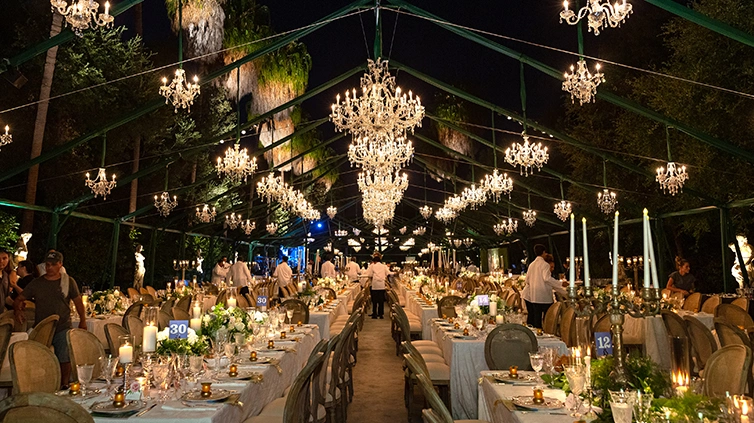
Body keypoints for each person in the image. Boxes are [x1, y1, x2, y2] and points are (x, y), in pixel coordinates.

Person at [14, 251, 86, 389]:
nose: (50, 268)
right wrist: (18, 310)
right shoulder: (37, 283)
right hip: (41, 326)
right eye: (47, 265)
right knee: (38, 357)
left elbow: (78, 302)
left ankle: (64, 384)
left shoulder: (68, 281)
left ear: (60, 265)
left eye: (53, 264)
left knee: (64, 356)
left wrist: (83, 320)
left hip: (63, 325)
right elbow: (19, 299)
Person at [521, 244, 566, 329]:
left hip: (534, 297)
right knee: (547, 319)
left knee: (536, 320)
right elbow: (547, 278)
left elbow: (527, 280)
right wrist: (560, 284)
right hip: (544, 297)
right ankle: (546, 334)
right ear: (543, 252)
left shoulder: (531, 264)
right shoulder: (545, 265)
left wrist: (535, 283)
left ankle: (536, 336)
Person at [363, 252, 393, 319]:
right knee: (381, 300)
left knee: (374, 300)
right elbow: (389, 273)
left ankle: (374, 314)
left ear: (374, 261)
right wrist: (395, 273)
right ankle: (381, 314)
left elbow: (370, 275)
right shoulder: (384, 266)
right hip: (382, 285)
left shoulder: (373, 266)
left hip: (375, 285)